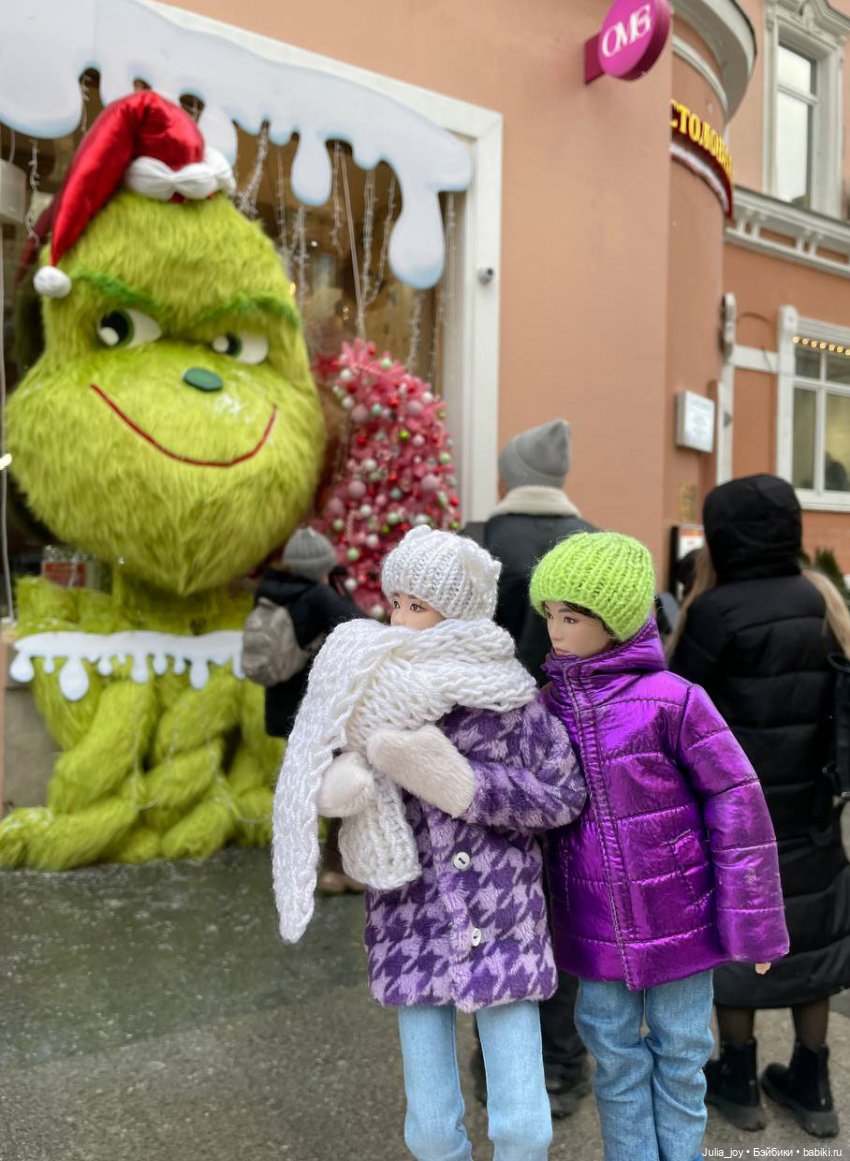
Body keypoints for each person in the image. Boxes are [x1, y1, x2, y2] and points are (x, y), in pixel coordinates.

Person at [272, 526, 587, 1161]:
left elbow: (562, 796)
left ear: (460, 611)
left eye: (420, 606)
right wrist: (341, 785)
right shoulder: (369, 694)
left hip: (504, 922)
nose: (400, 618)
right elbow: (326, 772)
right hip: (409, 918)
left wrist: (464, 785)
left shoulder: (511, 702)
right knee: (431, 1123)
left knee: (523, 1122)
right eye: (397, 602)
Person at [530, 530, 789, 1161]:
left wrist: (755, 925)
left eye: (572, 616)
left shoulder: (673, 702)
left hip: (681, 917)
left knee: (681, 1054)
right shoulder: (545, 708)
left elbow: (738, 805)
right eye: (550, 617)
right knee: (614, 1058)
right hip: (591, 922)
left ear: (616, 622)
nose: (556, 632)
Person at [668, 474, 850, 1139]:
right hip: (811, 811)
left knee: (738, 939)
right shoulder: (823, 598)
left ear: (720, 536)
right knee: (811, 937)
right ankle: (814, 1083)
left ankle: (738, 1079)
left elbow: (677, 709)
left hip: (735, 817)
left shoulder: (716, 612)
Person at [463, 417, 595, 1115]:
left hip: (488, 755)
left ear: (510, 475)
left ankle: (500, 1061)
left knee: (499, 906)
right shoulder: (599, 543)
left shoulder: (476, 542)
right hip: (580, 749)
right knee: (566, 903)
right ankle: (565, 1063)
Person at [242, 526, 365, 893]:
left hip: (283, 713)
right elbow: (360, 626)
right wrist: (336, 588)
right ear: (321, 566)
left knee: (304, 790)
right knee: (337, 787)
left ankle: (300, 871)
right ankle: (335, 870)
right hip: (319, 712)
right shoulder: (318, 596)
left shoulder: (268, 593)